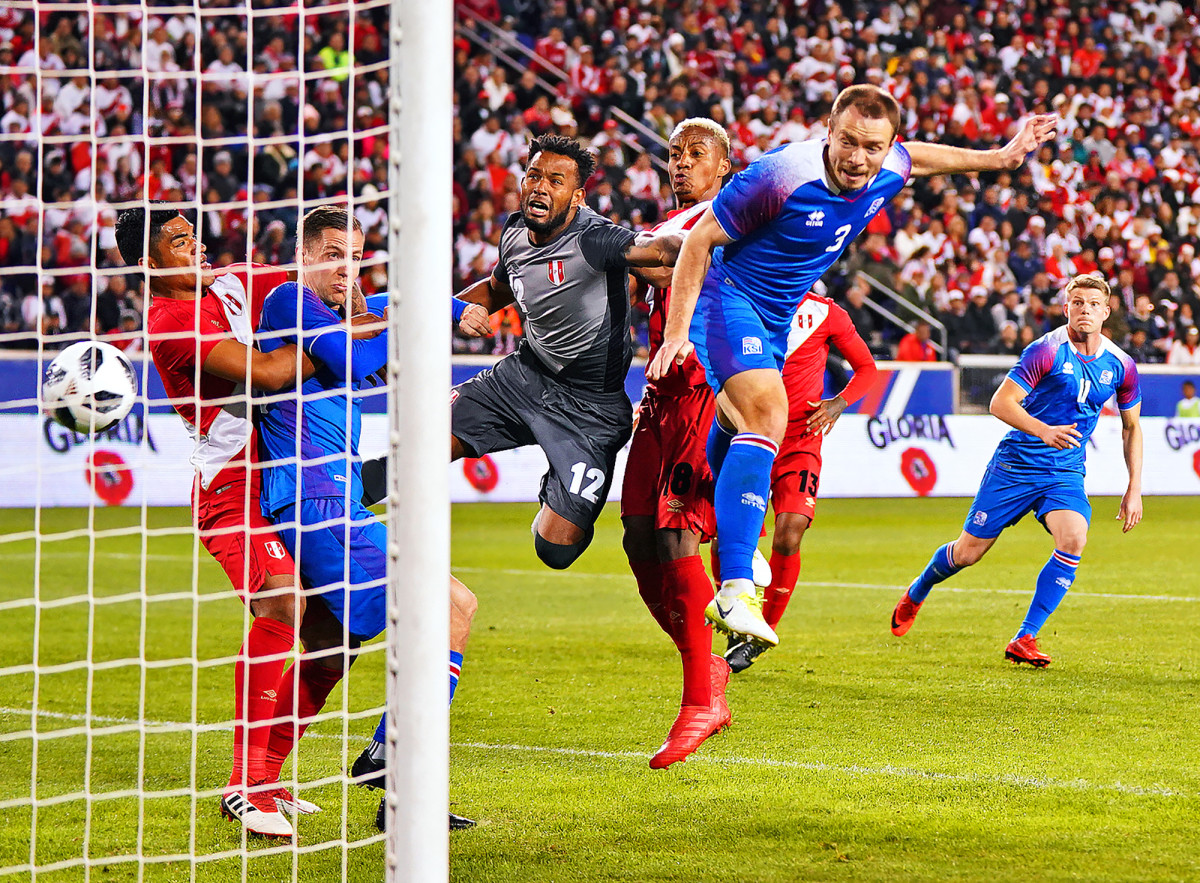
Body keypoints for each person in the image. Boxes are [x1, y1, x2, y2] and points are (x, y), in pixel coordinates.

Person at [647, 85, 1056, 646]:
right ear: (828, 132)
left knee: (737, 423)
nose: (858, 158)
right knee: (769, 414)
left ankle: (727, 535)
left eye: (872, 147)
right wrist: (674, 335)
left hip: (779, 311)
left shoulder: (888, 164)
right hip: (730, 297)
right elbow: (697, 241)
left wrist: (1000, 157)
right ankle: (736, 587)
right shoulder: (779, 175)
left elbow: (921, 156)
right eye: (847, 142)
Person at [255, 206, 478, 831]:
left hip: (334, 499)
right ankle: (395, 762)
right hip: (313, 497)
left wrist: (458, 309)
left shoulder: (337, 314)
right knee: (451, 607)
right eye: (332, 251)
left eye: (354, 253)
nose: (344, 266)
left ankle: (259, 782)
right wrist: (415, 315)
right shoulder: (287, 301)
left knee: (332, 649)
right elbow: (356, 362)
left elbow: (392, 302)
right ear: (303, 254)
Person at [115, 206, 320, 839]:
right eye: (179, 240)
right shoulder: (170, 323)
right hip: (231, 486)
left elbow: (309, 283)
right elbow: (268, 375)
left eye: (195, 233)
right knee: (282, 605)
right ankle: (242, 784)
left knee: (333, 627)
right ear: (149, 264)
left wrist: (346, 295)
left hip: (291, 472)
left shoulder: (232, 279)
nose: (198, 245)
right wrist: (343, 341)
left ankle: (266, 778)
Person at [448, 135, 681, 570]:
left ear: (576, 197)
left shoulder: (597, 238)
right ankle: (339, 512)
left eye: (555, 180)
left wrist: (707, 240)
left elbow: (661, 252)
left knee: (556, 549)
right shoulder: (515, 230)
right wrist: (459, 309)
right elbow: (498, 289)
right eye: (534, 175)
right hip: (523, 378)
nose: (540, 186)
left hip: (591, 409)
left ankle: (557, 472)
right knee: (424, 441)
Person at [891, 274, 1143, 666]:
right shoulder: (1045, 351)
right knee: (968, 553)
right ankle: (919, 589)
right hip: (1016, 466)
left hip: (1064, 471)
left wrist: (1134, 488)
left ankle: (1025, 637)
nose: (1085, 310)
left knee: (1074, 537)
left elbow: (1132, 428)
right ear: (1066, 309)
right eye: (1077, 303)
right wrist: (1044, 431)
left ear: (1106, 312)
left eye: (1093, 304)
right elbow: (1000, 403)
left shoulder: (1122, 365)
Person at [619, 118, 733, 769]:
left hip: (702, 393)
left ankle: (699, 700)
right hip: (657, 398)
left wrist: (605, 247)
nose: (682, 162)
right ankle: (705, 663)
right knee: (636, 538)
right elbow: (647, 268)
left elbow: (660, 256)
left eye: (697, 153)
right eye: (674, 154)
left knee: (674, 536)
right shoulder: (670, 221)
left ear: (724, 166)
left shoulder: (727, 219)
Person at [722, 292, 878, 673]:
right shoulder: (744, 300)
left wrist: (839, 403)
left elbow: (867, 368)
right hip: (752, 436)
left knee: (789, 532)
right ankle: (732, 614)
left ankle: (761, 633)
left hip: (800, 442)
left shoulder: (827, 312)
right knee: (734, 535)